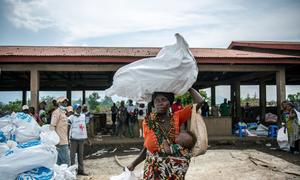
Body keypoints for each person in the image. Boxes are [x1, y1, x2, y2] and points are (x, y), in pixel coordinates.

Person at [127, 88, 203, 179]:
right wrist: (133, 164)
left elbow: (200, 102)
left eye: (164, 100)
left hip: (173, 171)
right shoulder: (148, 121)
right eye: (157, 100)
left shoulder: (177, 117)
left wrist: (188, 87)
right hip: (153, 171)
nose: (160, 103)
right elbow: (147, 147)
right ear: (153, 104)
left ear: (170, 103)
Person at [69, 104, 88, 176]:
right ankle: (73, 171)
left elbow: (85, 127)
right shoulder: (71, 117)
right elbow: (68, 128)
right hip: (73, 139)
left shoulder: (83, 116)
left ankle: (81, 170)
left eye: (80, 108)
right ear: (75, 109)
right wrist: (68, 138)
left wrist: (87, 138)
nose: (79, 110)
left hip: (81, 139)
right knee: (72, 155)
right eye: (77, 108)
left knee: (81, 154)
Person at [50, 97, 70, 165]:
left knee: (59, 162)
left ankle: (60, 175)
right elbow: (52, 127)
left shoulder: (64, 113)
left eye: (66, 102)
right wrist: (55, 140)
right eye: (63, 102)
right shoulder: (56, 112)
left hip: (64, 140)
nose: (65, 104)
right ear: (59, 103)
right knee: (66, 162)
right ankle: (68, 175)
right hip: (60, 142)